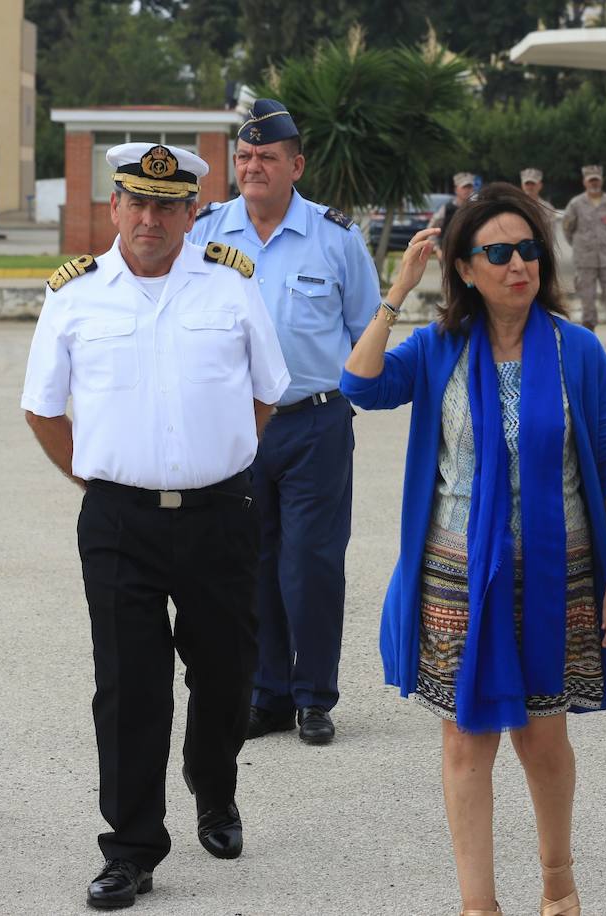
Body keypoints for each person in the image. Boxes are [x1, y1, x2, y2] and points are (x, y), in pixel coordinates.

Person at [340, 183, 606, 916]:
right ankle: (479, 907)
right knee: (466, 744)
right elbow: (358, 383)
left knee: (542, 744)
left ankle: (558, 882)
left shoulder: (578, 352)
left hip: (561, 574)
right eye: (499, 253)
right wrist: (399, 289)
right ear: (467, 269)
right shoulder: (439, 348)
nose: (520, 264)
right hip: (457, 577)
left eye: (529, 250)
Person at [21, 142, 290, 910]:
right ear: (114, 208)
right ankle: (132, 849)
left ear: (191, 212)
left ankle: (214, 788)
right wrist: (99, 476)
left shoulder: (231, 286)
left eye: (166, 205)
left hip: (219, 515)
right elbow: (42, 408)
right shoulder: (75, 296)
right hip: (118, 523)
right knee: (129, 689)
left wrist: (220, 455)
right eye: (136, 202)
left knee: (227, 673)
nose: (150, 218)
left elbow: (267, 393)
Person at [189, 99, 380, 746]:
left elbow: (365, 331)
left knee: (312, 563)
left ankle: (313, 696)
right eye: (243, 157)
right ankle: (266, 694)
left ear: (295, 165)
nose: (252, 167)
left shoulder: (336, 237)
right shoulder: (206, 234)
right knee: (249, 563)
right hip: (235, 425)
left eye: (267, 157)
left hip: (313, 423)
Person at [562, 165, 606, 349]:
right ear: (584, 182)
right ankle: (588, 337)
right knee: (587, 299)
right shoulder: (575, 204)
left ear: (601, 180)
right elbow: (567, 229)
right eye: (590, 180)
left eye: (596, 179)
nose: (594, 183)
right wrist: (580, 246)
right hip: (584, 260)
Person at [430, 172, 476, 255]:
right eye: (464, 187)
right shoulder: (446, 209)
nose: (467, 190)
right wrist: (437, 249)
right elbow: (432, 230)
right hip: (449, 254)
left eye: (470, 187)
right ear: (456, 189)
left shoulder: (476, 209)